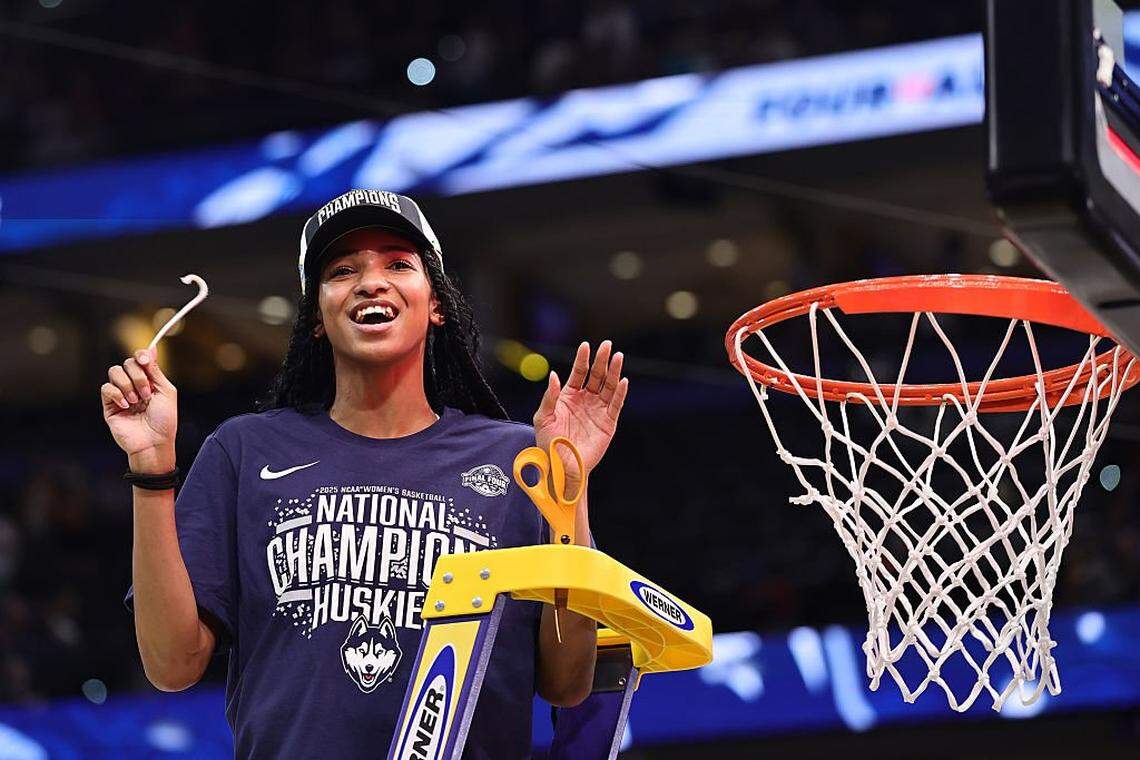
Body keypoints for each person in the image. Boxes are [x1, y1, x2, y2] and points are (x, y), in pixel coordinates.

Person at [100, 189, 629, 759]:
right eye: (342, 270)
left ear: (437, 304)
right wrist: (151, 469)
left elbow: (567, 682)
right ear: (317, 321)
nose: (370, 281)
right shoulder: (244, 449)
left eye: (398, 264)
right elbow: (172, 665)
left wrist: (570, 488)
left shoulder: (516, 459)